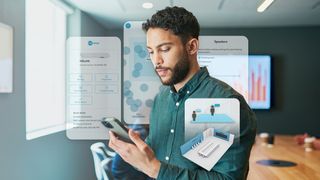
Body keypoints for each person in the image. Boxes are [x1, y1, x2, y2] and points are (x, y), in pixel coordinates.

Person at [108, 6, 257, 180]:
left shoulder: (224, 103)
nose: (156, 60)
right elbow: (156, 156)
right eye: (151, 52)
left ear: (192, 47)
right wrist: (135, 147)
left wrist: (156, 170)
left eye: (164, 49)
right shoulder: (161, 99)